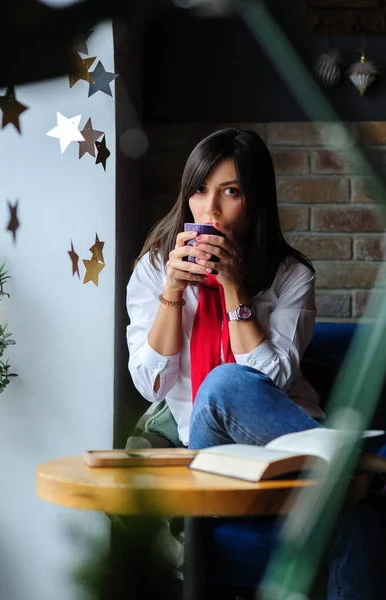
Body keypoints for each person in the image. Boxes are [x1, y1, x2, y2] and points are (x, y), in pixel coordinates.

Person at [126, 128, 385, 599]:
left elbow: (272, 381)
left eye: (231, 192)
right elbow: (150, 384)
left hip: (275, 438)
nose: (211, 210)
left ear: (255, 200)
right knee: (222, 383)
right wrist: (171, 293)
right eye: (200, 191)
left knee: (358, 523)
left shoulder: (290, 275)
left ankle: (349, 476)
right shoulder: (152, 269)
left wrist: (233, 290)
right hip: (201, 442)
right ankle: (362, 464)